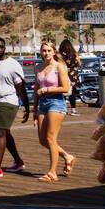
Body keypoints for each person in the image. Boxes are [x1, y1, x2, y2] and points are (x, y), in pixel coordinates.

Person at [0, 37, 30, 178]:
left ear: (5, 48)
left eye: (1, 46)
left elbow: (20, 88)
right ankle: (19, 162)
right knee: (5, 133)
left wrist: (27, 107)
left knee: (0, 132)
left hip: (8, 101)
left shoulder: (13, 65)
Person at [33, 41, 75, 182]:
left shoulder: (59, 67)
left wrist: (47, 89)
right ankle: (67, 156)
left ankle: (52, 173)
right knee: (42, 140)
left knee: (51, 138)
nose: (46, 53)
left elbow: (65, 88)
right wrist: (34, 109)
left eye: (49, 50)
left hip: (56, 102)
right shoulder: (38, 67)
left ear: (54, 52)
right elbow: (35, 88)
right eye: (44, 50)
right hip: (43, 104)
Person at [59, 39, 81, 115]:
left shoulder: (60, 54)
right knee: (72, 93)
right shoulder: (74, 53)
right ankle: (73, 110)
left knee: (63, 91)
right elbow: (79, 64)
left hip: (64, 73)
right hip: (73, 74)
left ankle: (63, 109)